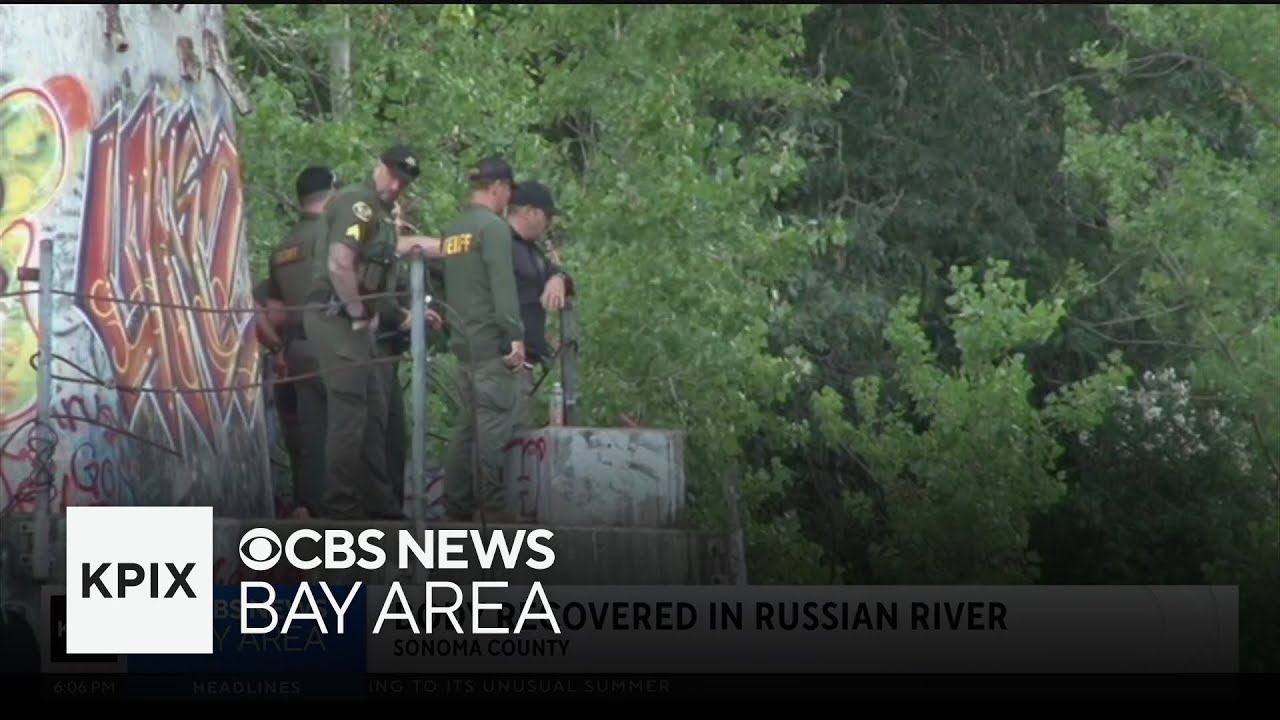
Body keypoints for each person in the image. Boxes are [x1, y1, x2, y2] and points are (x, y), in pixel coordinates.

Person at [302, 144, 447, 520]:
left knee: (375, 411)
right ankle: (342, 508)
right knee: (350, 412)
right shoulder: (359, 203)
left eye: (404, 182)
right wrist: (357, 313)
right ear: (378, 167)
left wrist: (402, 317)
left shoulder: (380, 216)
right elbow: (339, 263)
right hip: (335, 315)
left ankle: (379, 506)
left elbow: (372, 281)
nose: (396, 186)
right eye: (393, 176)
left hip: (354, 317)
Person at [440, 157, 524, 523]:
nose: (509, 198)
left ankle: (455, 505)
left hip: (463, 345)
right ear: (498, 187)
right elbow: (502, 289)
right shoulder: (493, 228)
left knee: (466, 428)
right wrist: (515, 338)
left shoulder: (453, 230)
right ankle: (492, 511)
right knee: (491, 428)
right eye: (509, 190)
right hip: (490, 346)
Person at [260, 165, 340, 518]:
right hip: (333, 346)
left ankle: (307, 508)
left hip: (295, 350)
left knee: (309, 438)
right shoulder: (329, 237)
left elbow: (264, 304)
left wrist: (277, 347)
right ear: (333, 194)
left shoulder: (283, 246)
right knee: (349, 430)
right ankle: (343, 516)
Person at [506, 181, 574, 427]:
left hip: (526, 363)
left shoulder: (532, 252)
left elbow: (560, 273)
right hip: (506, 360)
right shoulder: (500, 242)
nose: (549, 224)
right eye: (547, 216)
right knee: (505, 439)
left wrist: (558, 278)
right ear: (531, 212)